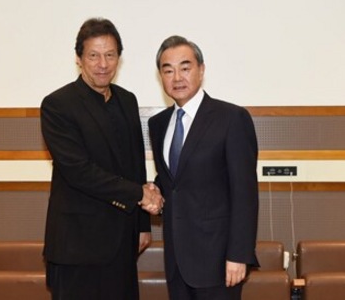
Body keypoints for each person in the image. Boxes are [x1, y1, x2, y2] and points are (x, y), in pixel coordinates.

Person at [40, 18, 164, 300]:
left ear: (119, 58)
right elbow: (78, 170)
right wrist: (139, 195)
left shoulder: (127, 100)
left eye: (110, 55)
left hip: (122, 242)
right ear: (79, 59)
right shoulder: (58, 104)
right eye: (93, 55)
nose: (102, 64)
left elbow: (135, 163)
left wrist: (142, 225)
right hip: (77, 245)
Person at [148, 35, 259, 300]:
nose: (177, 77)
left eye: (185, 68)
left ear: (201, 70)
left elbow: (245, 193)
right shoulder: (158, 124)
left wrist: (238, 255)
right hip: (176, 261)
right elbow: (173, 181)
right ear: (161, 77)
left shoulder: (232, 118)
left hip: (219, 261)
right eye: (168, 70)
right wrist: (152, 191)